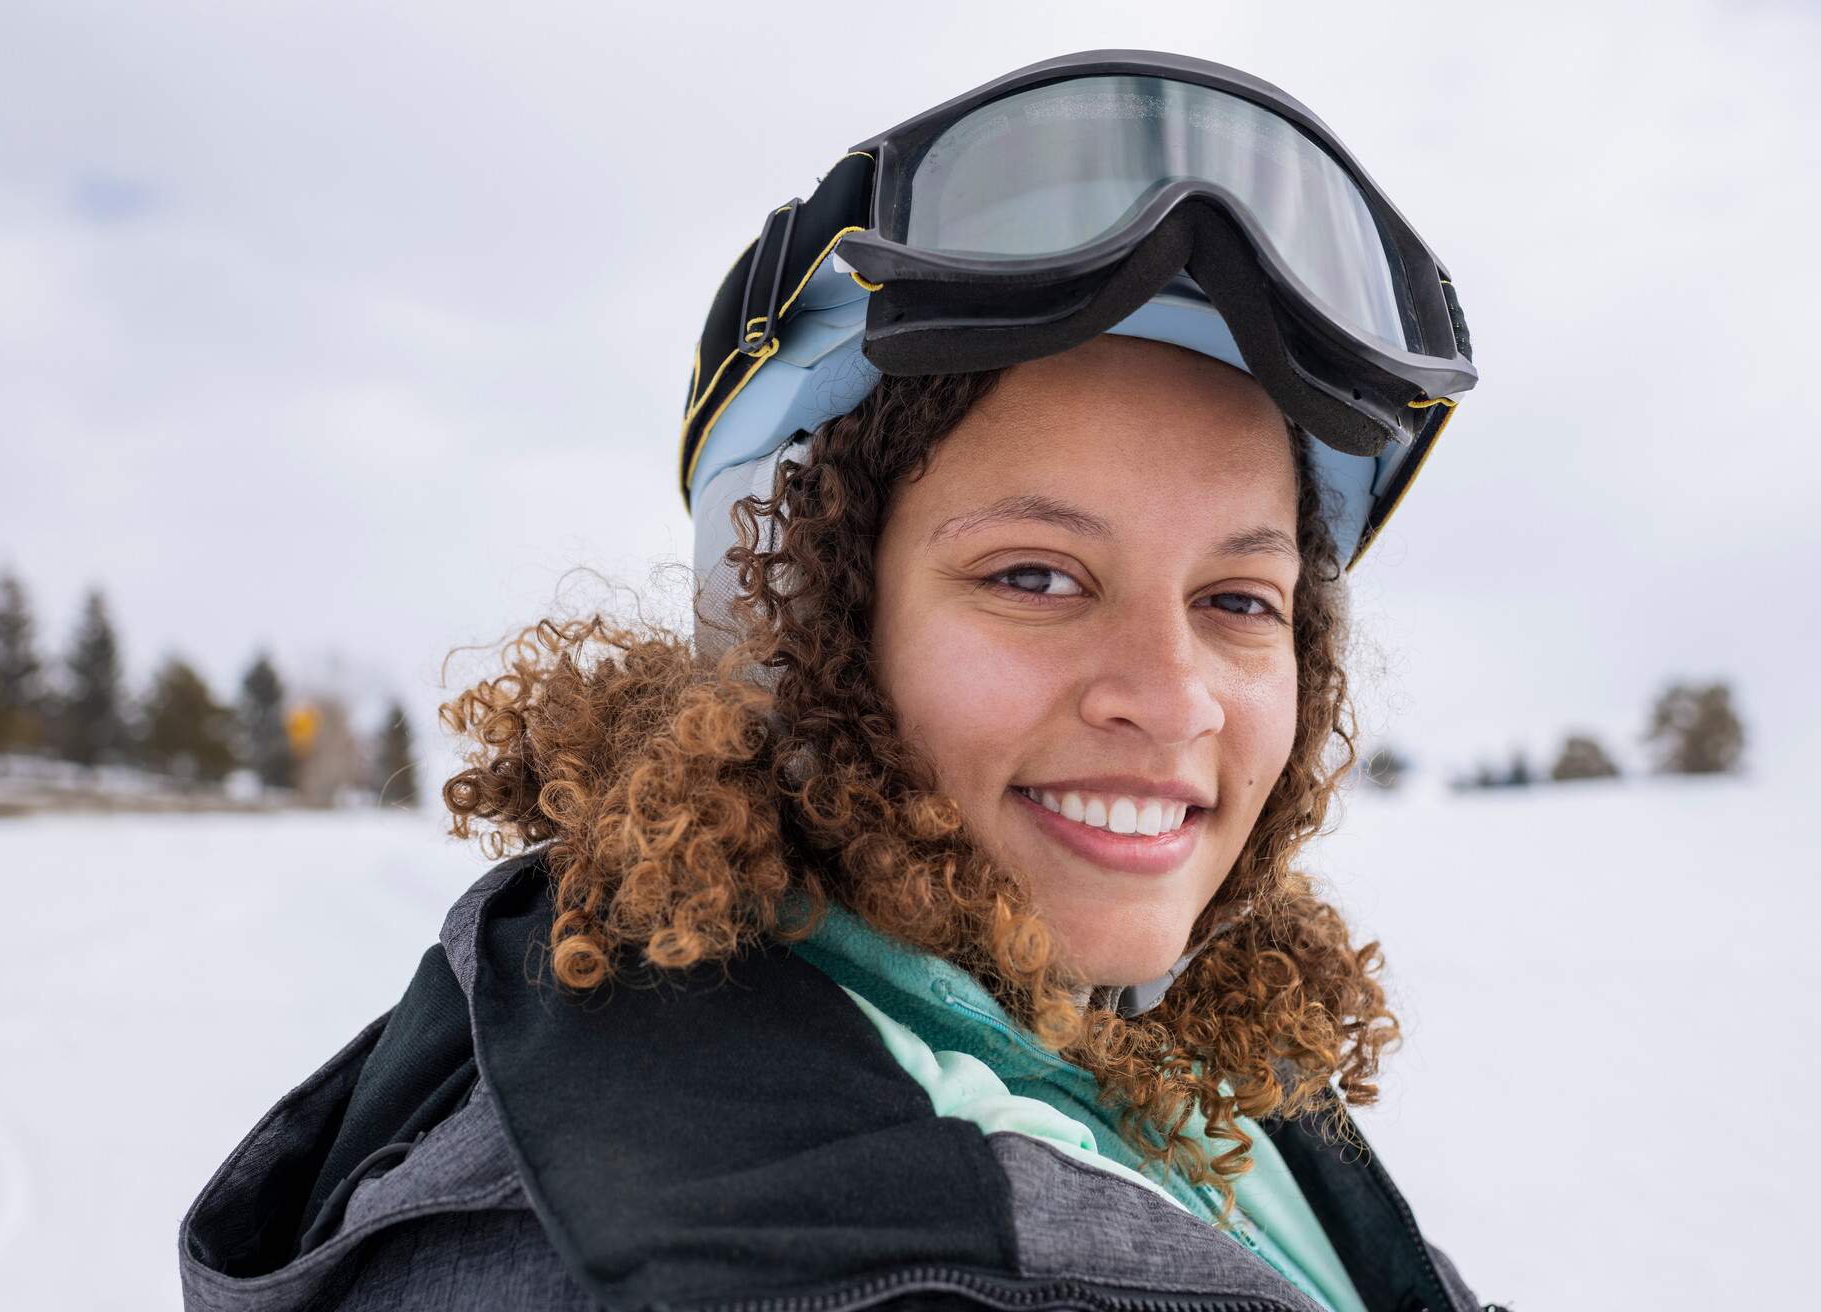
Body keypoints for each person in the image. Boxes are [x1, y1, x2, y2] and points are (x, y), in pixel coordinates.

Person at [180, 51, 1497, 1312]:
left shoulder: (1187, 1068)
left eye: (1236, 602)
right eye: (1034, 577)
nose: (1171, 699)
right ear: (798, 621)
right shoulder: (589, 1260)